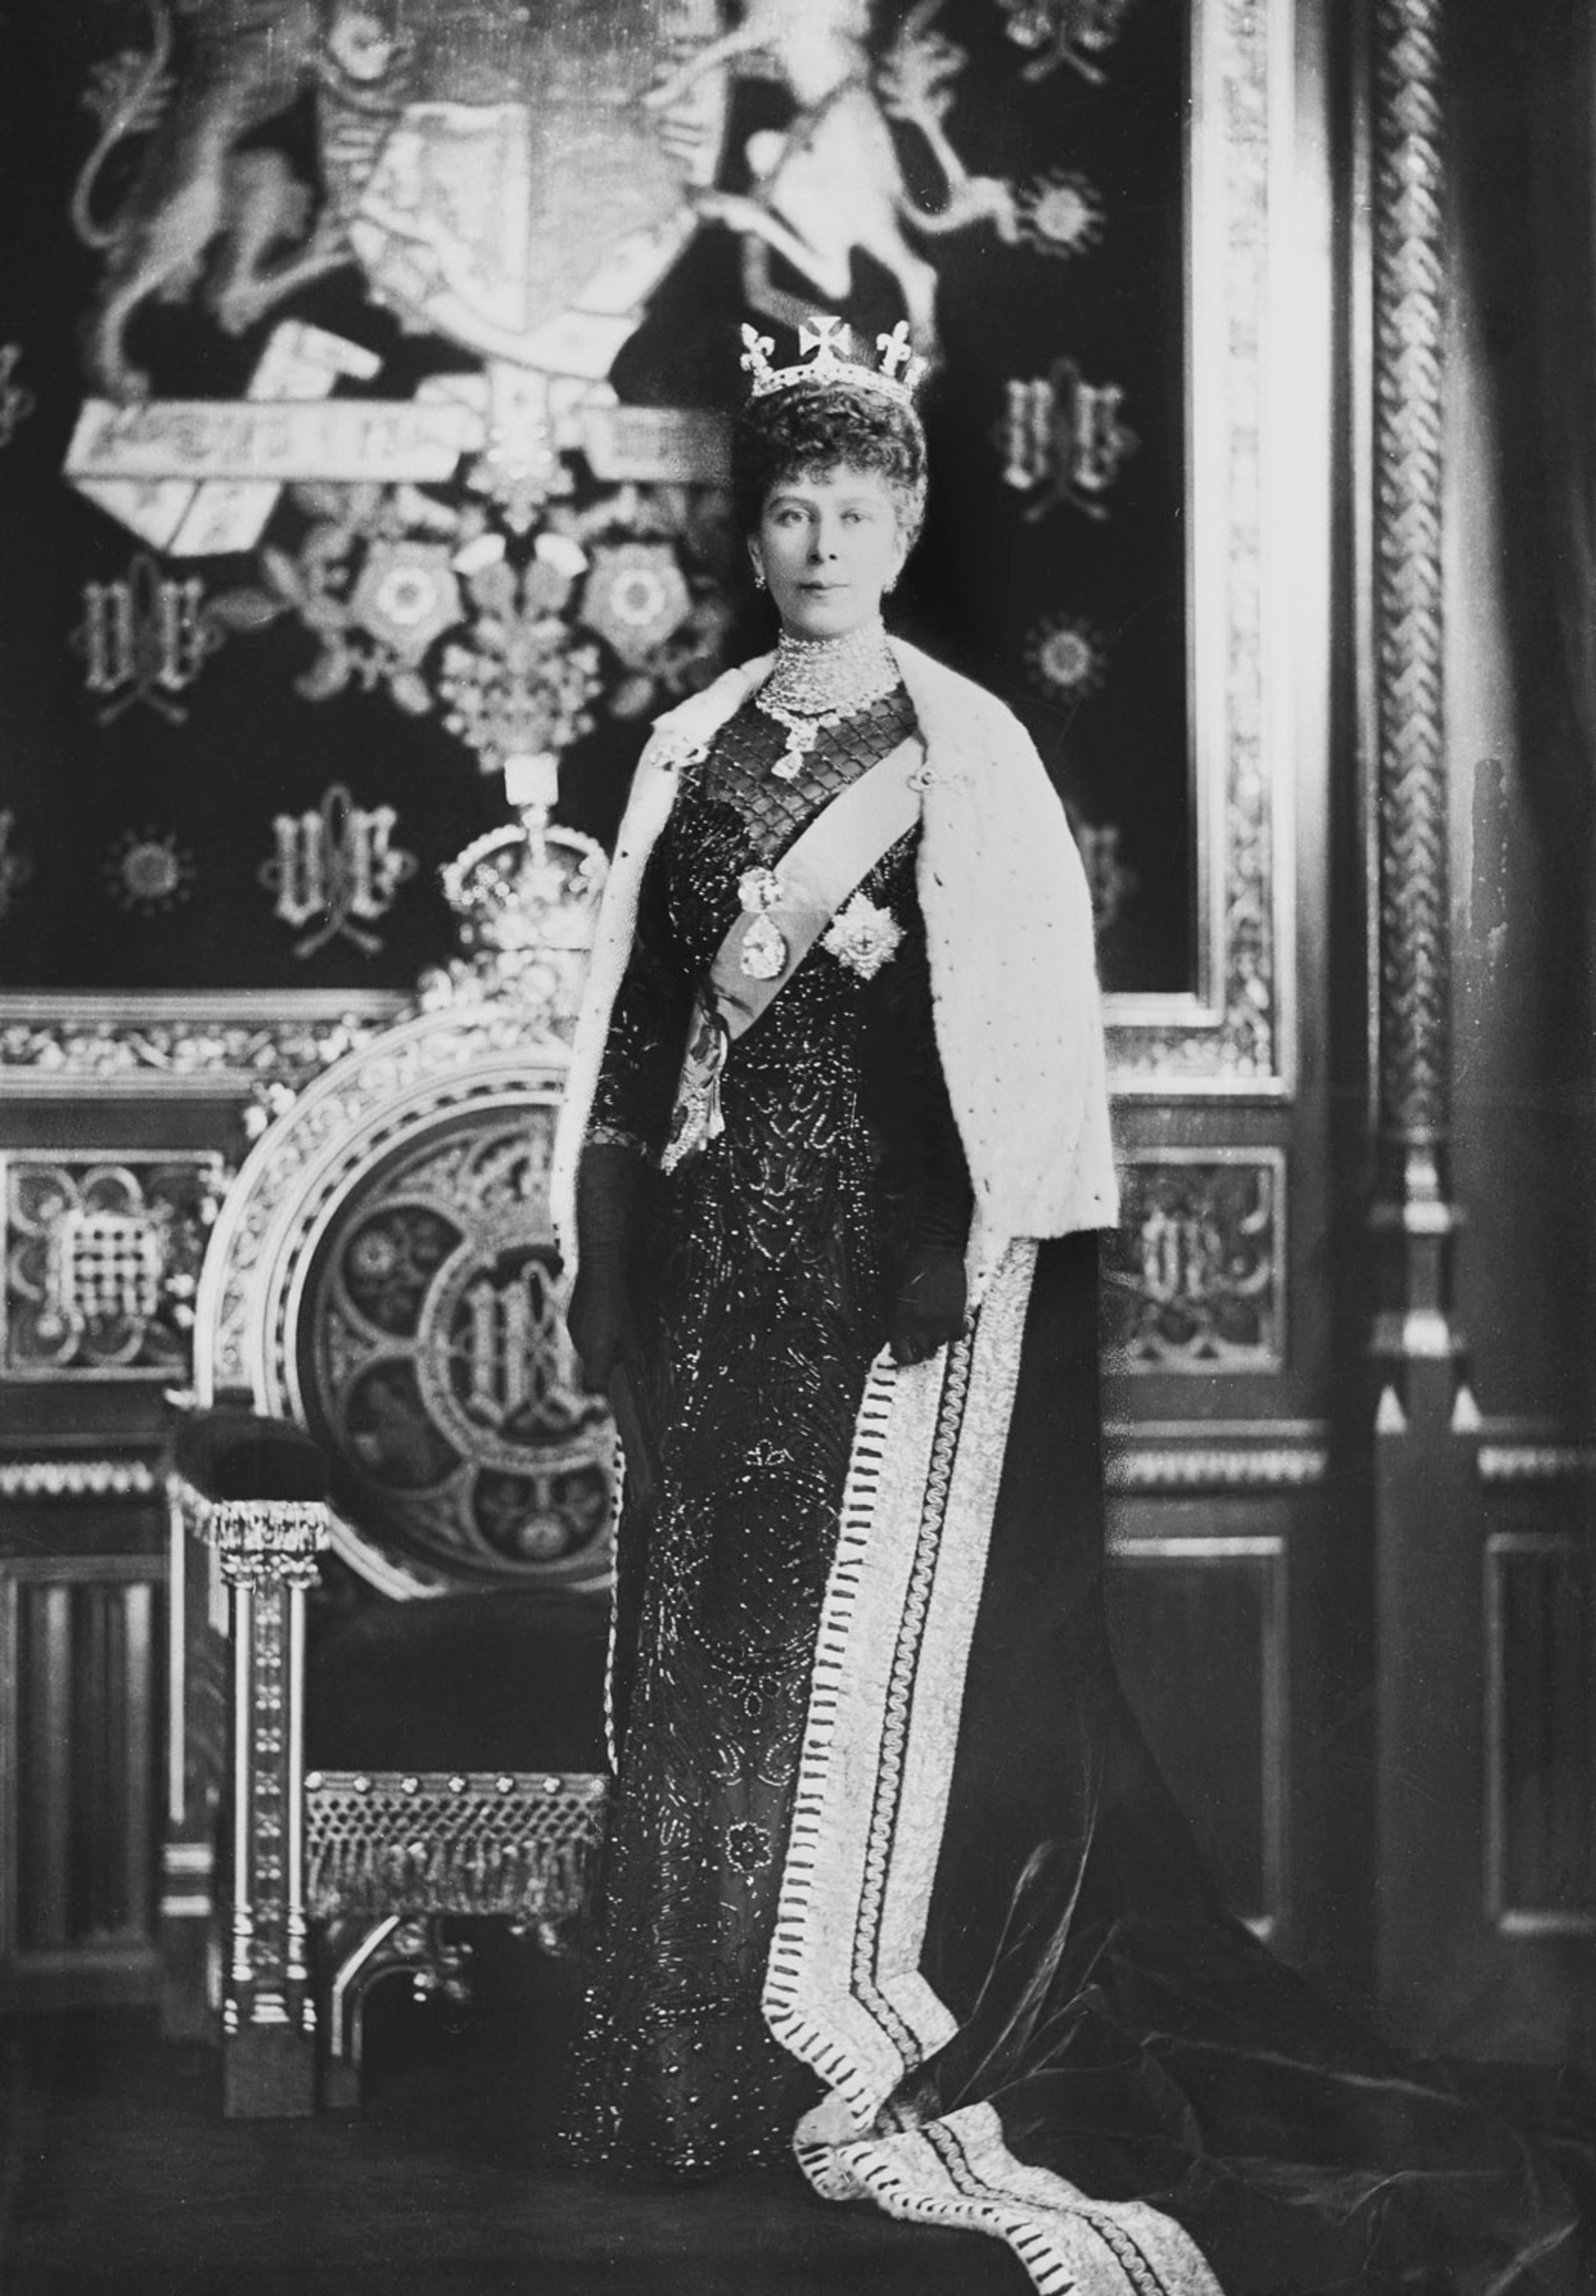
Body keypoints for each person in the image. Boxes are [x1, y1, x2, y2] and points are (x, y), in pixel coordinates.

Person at [550, 320, 1593, 2293]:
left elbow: (1009, 1048)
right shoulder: (690, 755)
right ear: (750, 533)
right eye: (789, 509)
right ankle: (670, 2082)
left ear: (908, 522)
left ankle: (834, 2038)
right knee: (699, 1655)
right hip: (712, 1281)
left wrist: (951, 1241)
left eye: (856, 508)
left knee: (846, 1660)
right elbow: (629, 1043)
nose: (822, 540)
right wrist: (608, 1257)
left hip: (883, 1273)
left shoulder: (970, 754)